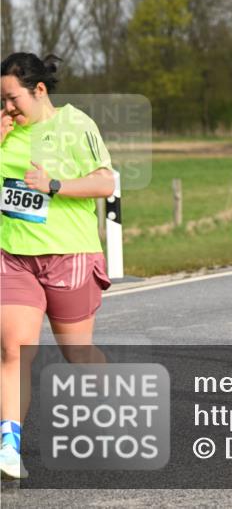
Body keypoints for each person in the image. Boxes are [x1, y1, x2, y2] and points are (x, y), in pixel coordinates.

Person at [1, 53, 116, 480]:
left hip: (70, 254)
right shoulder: (4, 131)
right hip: (13, 256)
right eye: (2, 100)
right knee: (14, 348)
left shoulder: (75, 124)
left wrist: (53, 185)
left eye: (13, 99)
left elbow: (105, 182)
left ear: (40, 90)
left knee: (78, 354)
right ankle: (8, 447)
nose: (8, 108)